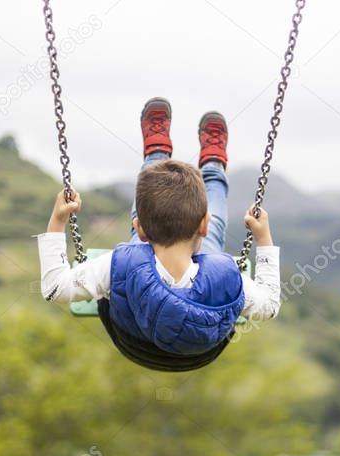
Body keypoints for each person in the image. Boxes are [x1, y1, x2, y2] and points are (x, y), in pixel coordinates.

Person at [37, 97, 282, 358]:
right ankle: (207, 163)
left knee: (136, 257)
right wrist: (263, 237)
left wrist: (58, 220)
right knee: (213, 237)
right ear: (203, 225)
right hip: (197, 351)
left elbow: (54, 288)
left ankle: (169, 154)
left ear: (139, 228)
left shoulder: (118, 266)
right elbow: (270, 305)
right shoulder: (226, 279)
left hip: (135, 341)